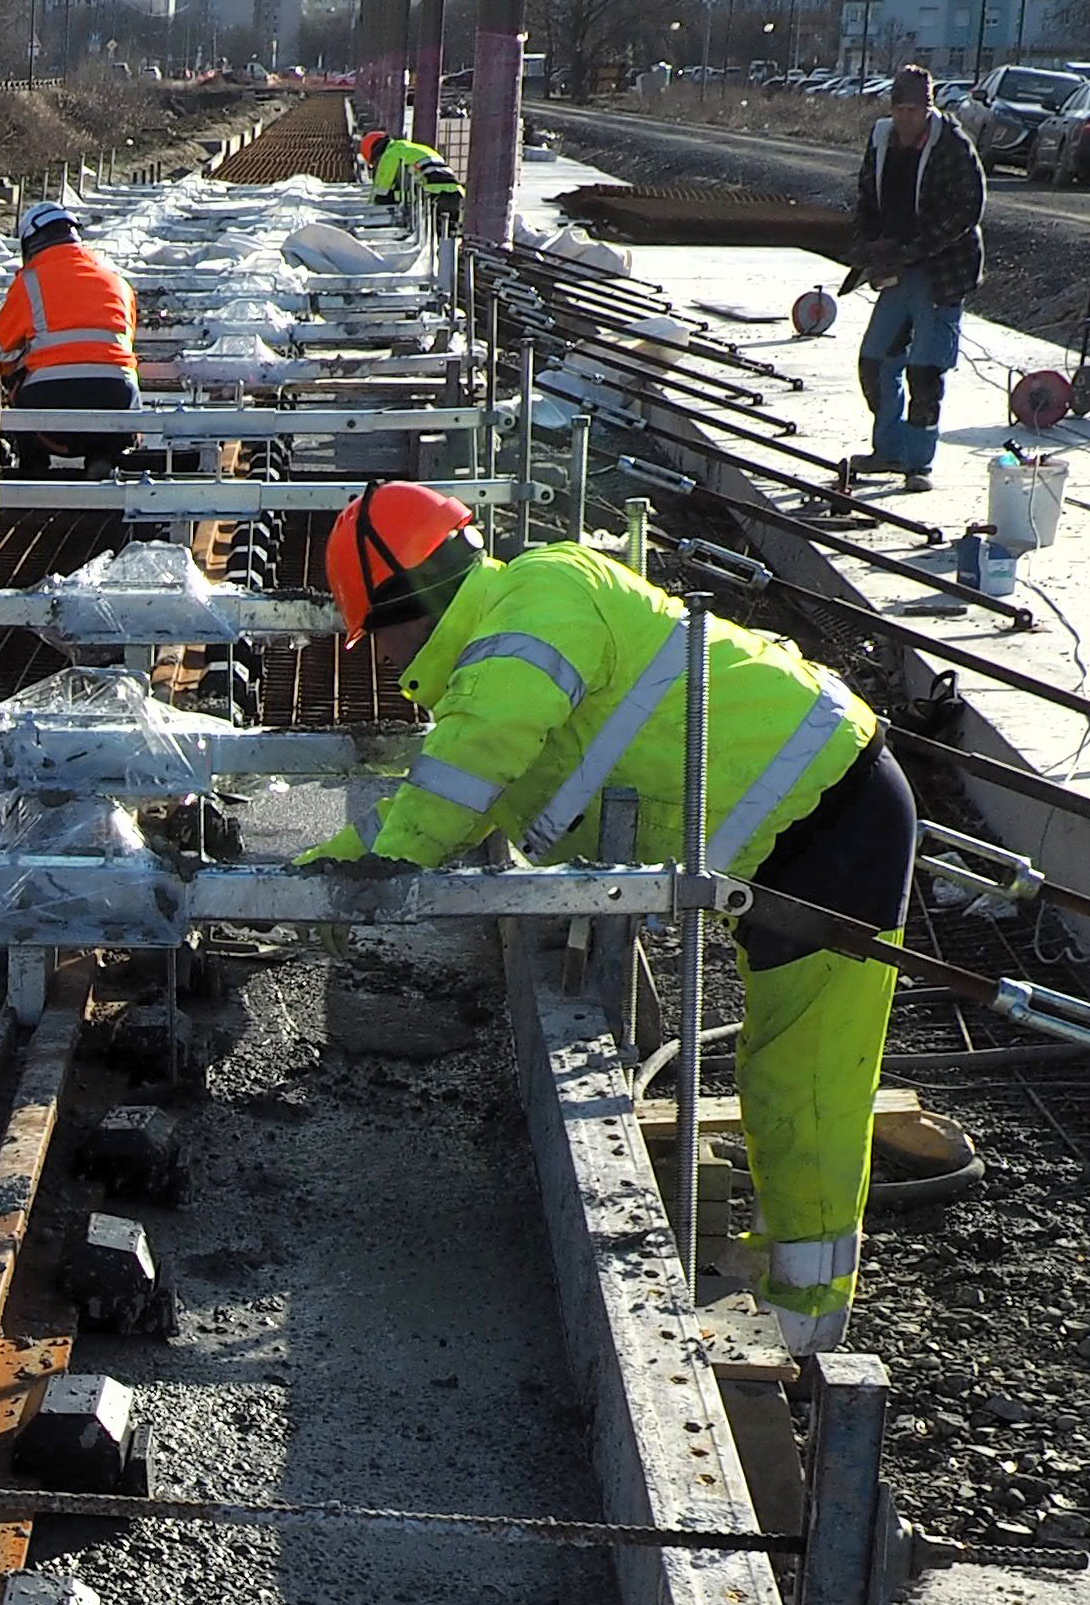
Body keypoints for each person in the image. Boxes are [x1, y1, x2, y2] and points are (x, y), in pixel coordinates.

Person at [303, 481, 917, 1352]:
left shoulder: (535, 605)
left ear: (407, 600)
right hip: (798, 821)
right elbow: (450, 789)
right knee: (779, 1068)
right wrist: (315, 871)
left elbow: (474, 758)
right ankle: (789, 1287)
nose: (382, 655)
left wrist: (392, 863)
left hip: (831, 814)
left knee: (803, 1081)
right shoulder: (502, 644)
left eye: (376, 631)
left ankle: (805, 1333)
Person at [840, 65, 987, 493]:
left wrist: (916, 249)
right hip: (897, 271)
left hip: (941, 272)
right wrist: (872, 245)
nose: (906, 118)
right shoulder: (881, 139)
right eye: (899, 109)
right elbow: (867, 196)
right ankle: (888, 448)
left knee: (926, 368)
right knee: (876, 361)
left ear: (929, 108)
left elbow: (967, 210)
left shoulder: (953, 147)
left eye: (914, 109)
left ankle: (918, 462)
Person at [0, 201, 140, 472]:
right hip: (116, 397)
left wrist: (14, 374)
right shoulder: (118, 282)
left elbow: (0, 353)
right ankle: (103, 459)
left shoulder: (29, 282)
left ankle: (33, 467)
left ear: (30, 245)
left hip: (49, 401)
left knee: (17, 390)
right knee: (123, 389)